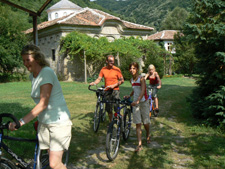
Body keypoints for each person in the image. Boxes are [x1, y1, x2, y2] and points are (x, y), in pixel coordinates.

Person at [9, 44, 72, 169]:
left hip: (58, 122)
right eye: (23, 60)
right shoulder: (32, 76)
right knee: (51, 159)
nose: (25, 63)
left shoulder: (46, 72)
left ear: (37, 58)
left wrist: (20, 122)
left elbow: (43, 103)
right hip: (44, 122)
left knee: (54, 164)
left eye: (28, 60)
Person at [124, 62, 150, 152]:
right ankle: (139, 144)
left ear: (137, 69)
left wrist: (138, 100)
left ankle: (147, 134)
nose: (132, 70)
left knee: (146, 122)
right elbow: (135, 89)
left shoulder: (141, 79)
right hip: (135, 103)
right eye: (130, 68)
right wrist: (129, 96)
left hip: (144, 102)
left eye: (134, 68)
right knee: (138, 124)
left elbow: (142, 90)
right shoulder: (131, 80)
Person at [90, 55, 124, 122]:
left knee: (116, 107)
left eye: (113, 61)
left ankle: (119, 120)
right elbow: (99, 78)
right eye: (110, 61)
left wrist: (114, 85)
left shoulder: (117, 69)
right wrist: (94, 83)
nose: (112, 63)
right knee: (108, 108)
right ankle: (111, 123)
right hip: (107, 91)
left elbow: (122, 80)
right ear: (106, 61)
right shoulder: (103, 69)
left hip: (115, 90)